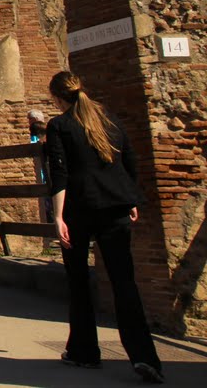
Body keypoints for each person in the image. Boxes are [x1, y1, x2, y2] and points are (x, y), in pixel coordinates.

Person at [45, 71, 163, 382]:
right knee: (125, 282)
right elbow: (130, 159)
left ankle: (85, 352)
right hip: (115, 206)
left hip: (79, 211)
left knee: (79, 282)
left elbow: (60, 173)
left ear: (57, 98)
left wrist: (57, 217)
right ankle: (144, 356)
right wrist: (131, 198)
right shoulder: (107, 118)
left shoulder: (60, 125)